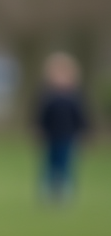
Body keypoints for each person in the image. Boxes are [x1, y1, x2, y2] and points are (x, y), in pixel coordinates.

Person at [35, 52, 88, 202]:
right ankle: (47, 193)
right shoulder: (47, 96)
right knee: (49, 165)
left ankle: (65, 194)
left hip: (68, 136)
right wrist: (38, 129)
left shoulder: (75, 97)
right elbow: (40, 115)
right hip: (50, 135)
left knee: (66, 165)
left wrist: (84, 132)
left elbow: (81, 117)